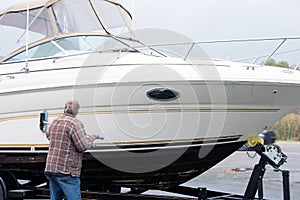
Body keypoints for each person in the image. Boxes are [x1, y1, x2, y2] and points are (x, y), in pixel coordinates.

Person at [44, 99, 99, 200]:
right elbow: (82, 146)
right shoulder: (75, 124)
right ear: (77, 111)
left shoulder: (55, 121)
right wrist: (93, 138)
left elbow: (48, 136)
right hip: (66, 171)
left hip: (52, 168)